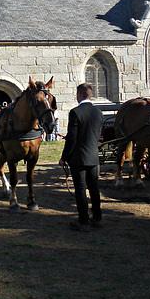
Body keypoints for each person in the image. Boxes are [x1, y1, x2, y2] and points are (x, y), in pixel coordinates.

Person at [59, 83, 105, 232]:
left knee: (80, 189)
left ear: (79, 94)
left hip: (78, 157)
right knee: (94, 188)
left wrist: (64, 157)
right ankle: (97, 218)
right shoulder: (98, 112)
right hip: (93, 156)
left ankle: (83, 221)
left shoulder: (75, 112)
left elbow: (72, 138)